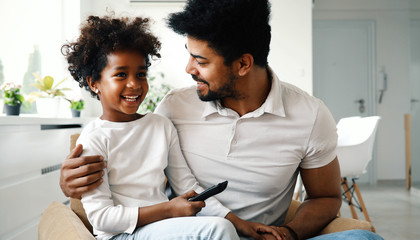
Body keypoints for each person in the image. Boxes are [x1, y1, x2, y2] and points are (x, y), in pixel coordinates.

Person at [60, 1, 384, 240]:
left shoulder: (310, 115)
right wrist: (71, 184)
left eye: (200, 60)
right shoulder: (174, 107)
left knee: (364, 239)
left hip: (255, 234)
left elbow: (326, 196)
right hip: (194, 232)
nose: (189, 69)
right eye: (189, 54)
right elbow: (133, 166)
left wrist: (288, 234)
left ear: (243, 63)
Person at [61, 15, 283, 240]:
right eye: (120, 75)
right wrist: (168, 210)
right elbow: (101, 218)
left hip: (162, 229)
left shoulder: (160, 125)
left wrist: (240, 224)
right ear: (93, 82)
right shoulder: (93, 139)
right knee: (217, 230)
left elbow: (186, 185)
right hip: (120, 236)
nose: (134, 84)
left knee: (222, 227)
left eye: (141, 74)